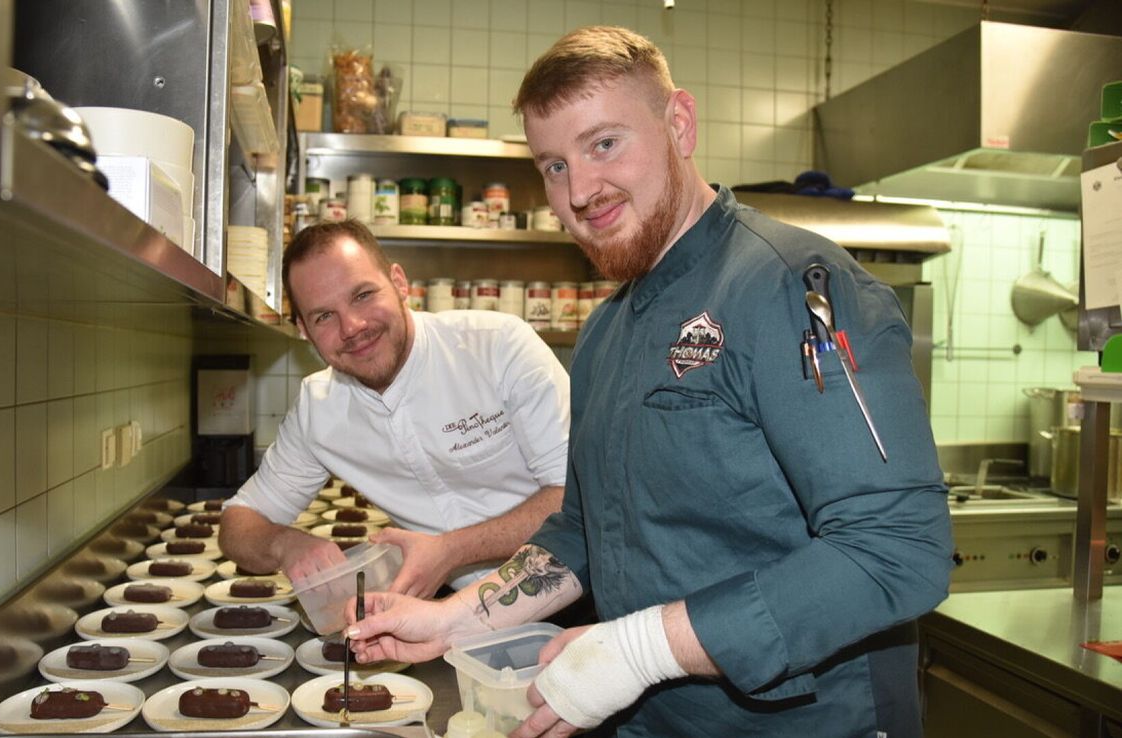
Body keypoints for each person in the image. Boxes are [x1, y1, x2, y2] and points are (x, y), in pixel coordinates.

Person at [345, 26, 953, 738]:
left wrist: (637, 651)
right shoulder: (605, 333)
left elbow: (897, 551)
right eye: (554, 165)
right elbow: (584, 532)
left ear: (680, 124)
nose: (581, 191)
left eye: (604, 144)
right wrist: (453, 619)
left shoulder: (789, 287)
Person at [218, 219, 571, 598]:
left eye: (363, 295)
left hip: (571, 594)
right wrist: (285, 545)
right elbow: (237, 524)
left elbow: (574, 497)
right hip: (454, 611)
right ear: (304, 329)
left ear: (399, 283)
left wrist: (450, 551)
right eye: (324, 316)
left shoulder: (497, 347)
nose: (351, 327)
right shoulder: (318, 410)